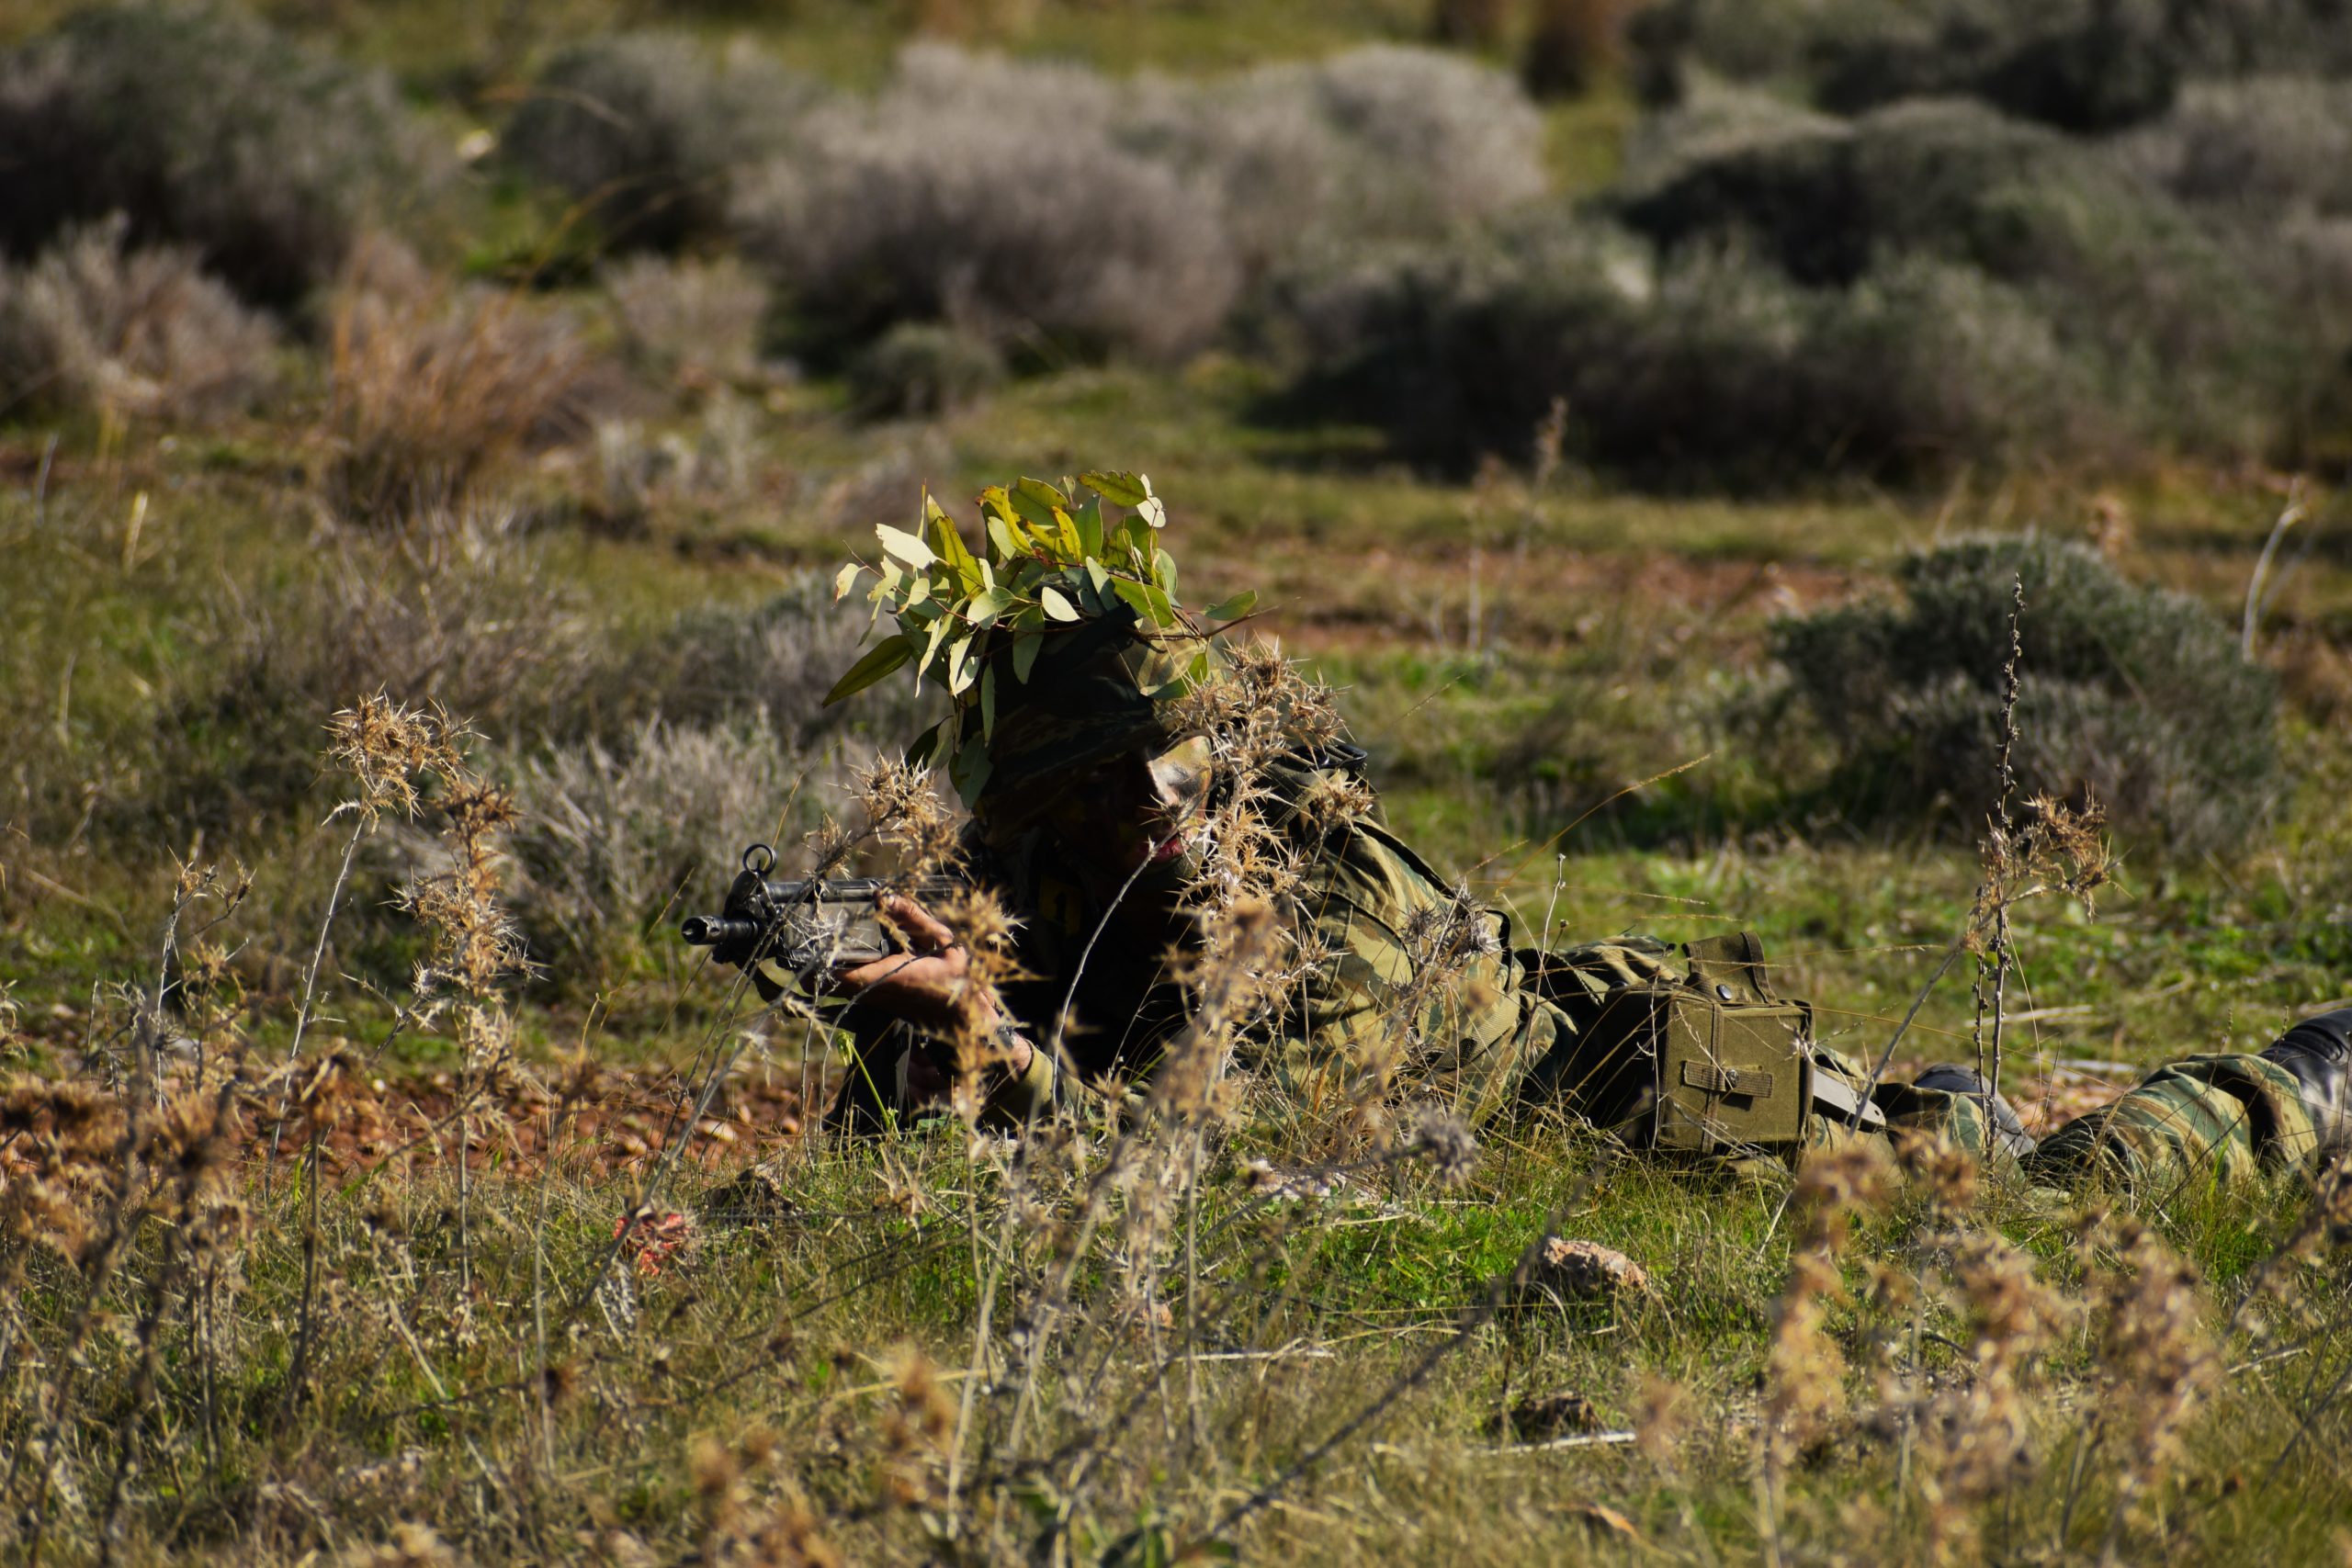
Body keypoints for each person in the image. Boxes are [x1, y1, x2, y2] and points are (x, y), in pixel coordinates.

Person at [795, 512, 2351, 1197]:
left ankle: (2294, 1081)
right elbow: (946, 1166)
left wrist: (1000, 1046)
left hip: (1649, 1098)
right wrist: (903, 1041)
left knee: (2043, 1217)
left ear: (1206, 774)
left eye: (1127, 792)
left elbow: (1222, 1170)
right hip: (1572, 1087)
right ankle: (1947, 1110)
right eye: (1051, 813)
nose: (1094, 834)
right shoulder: (1077, 868)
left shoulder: (1332, 904)